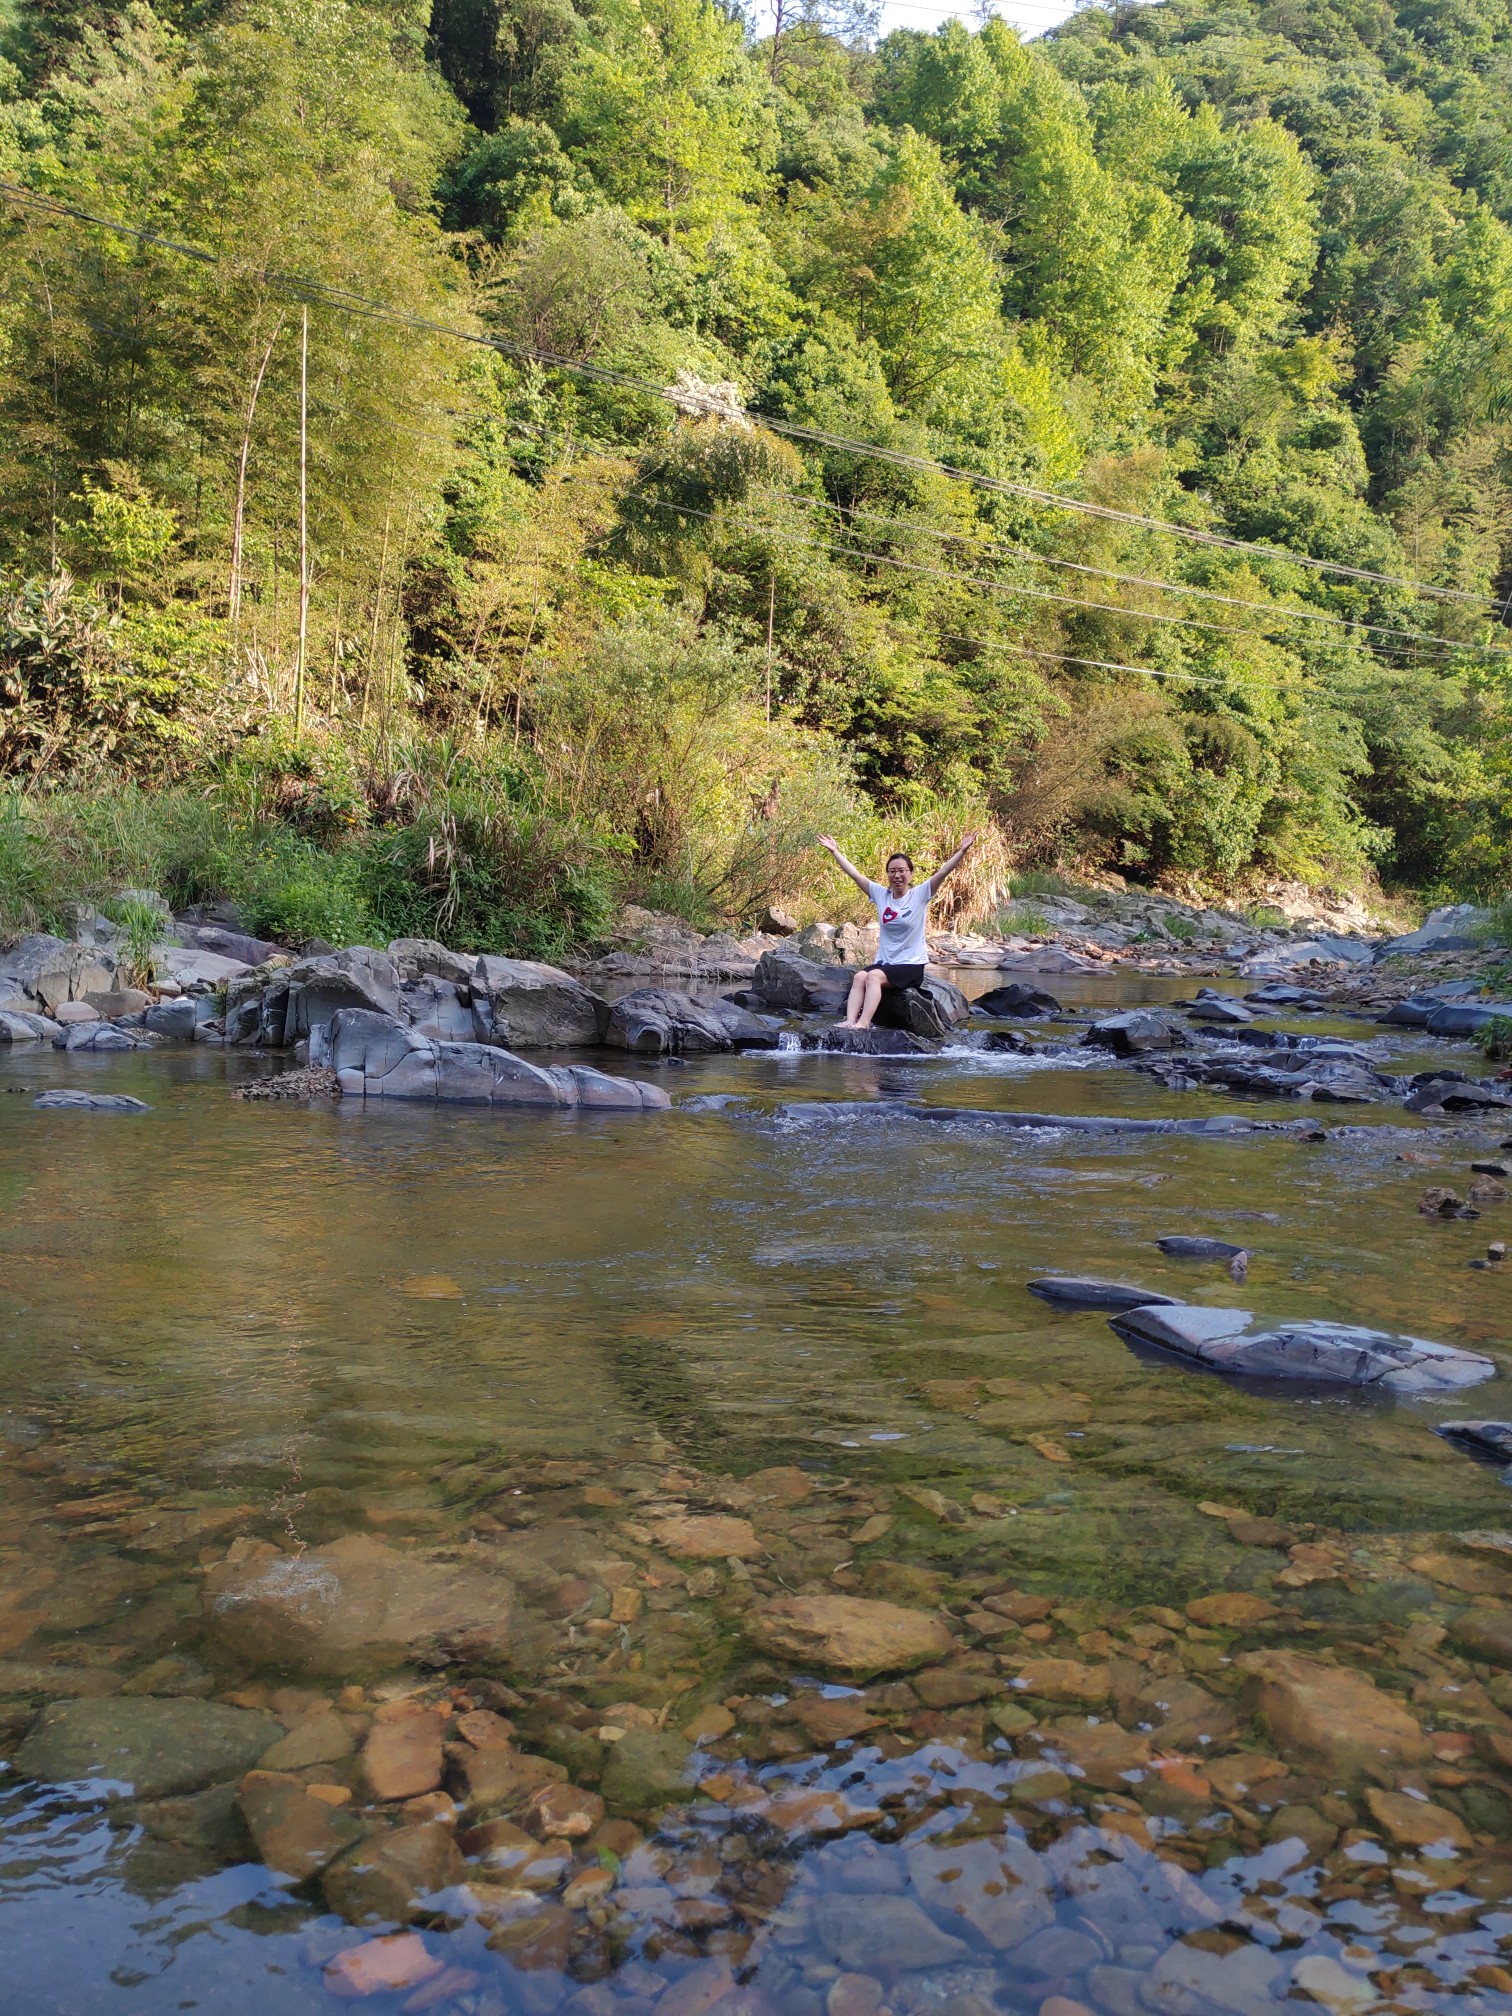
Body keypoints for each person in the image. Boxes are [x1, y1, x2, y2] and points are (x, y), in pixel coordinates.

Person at [816, 832, 978, 1029]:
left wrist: (962, 850)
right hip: (886, 963)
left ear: (910, 873)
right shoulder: (881, 894)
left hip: (911, 965)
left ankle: (864, 1023)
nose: (897, 875)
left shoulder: (920, 894)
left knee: (873, 977)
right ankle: (850, 1021)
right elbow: (854, 874)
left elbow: (943, 871)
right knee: (860, 976)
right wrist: (835, 851)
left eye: (901, 870)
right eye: (892, 871)